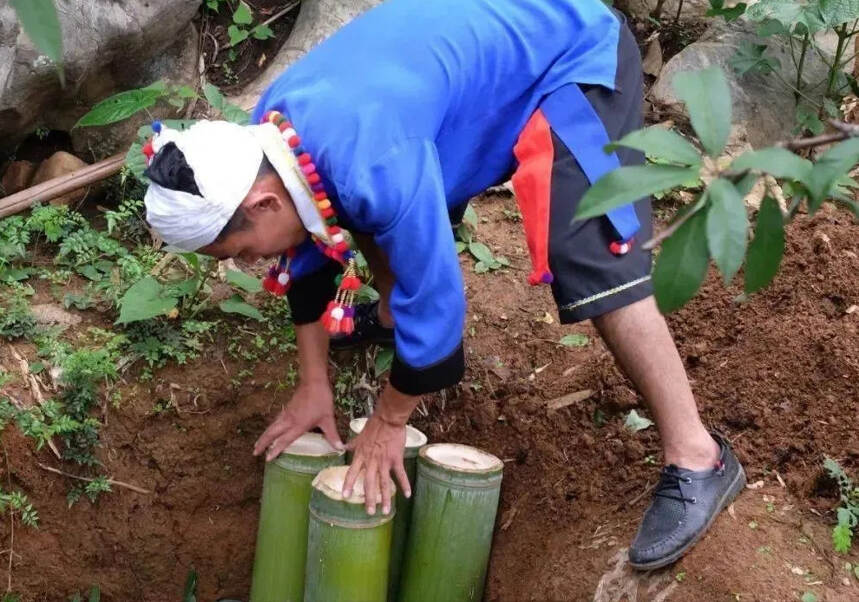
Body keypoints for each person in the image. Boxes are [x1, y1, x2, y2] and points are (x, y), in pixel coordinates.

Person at [142, 0, 746, 570]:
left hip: (568, 50)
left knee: (588, 251)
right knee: (351, 204)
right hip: (460, 71)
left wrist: (390, 418)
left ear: (263, 201)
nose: (245, 264)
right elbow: (311, 237)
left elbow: (439, 303)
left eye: (241, 250)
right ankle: (390, 324)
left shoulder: (374, 159)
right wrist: (312, 382)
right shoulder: (270, 137)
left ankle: (698, 455)